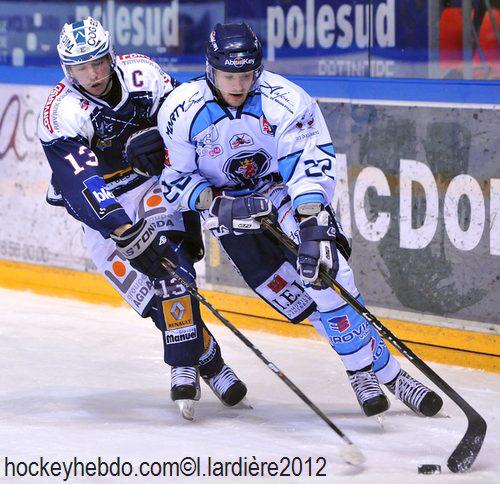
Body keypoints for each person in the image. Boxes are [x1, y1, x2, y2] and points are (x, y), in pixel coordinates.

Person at [150, 23, 444, 418]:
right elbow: (175, 180)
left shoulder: (287, 100)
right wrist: (215, 205)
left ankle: (362, 371)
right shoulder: (180, 110)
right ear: (209, 69)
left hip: (282, 194)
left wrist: (309, 222)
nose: (238, 84)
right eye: (228, 75)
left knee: (326, 271)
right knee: (300, 302)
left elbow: (308, 164)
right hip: (228, 216)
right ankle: (388, 370)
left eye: (246, 74)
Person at [38, 17, 247, 420]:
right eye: (81, 68)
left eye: (98, 62)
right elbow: (81, 180)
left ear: (110, 55)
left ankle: (184, 365)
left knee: (171, 267)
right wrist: (122, 229)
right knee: (152, 299)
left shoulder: (143, 74)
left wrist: (162, 145)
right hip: (103, 209)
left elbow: (182, 122)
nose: (93, 74)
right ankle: (211, 360)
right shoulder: (60, 112)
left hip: (153, 186)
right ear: (67, 70)